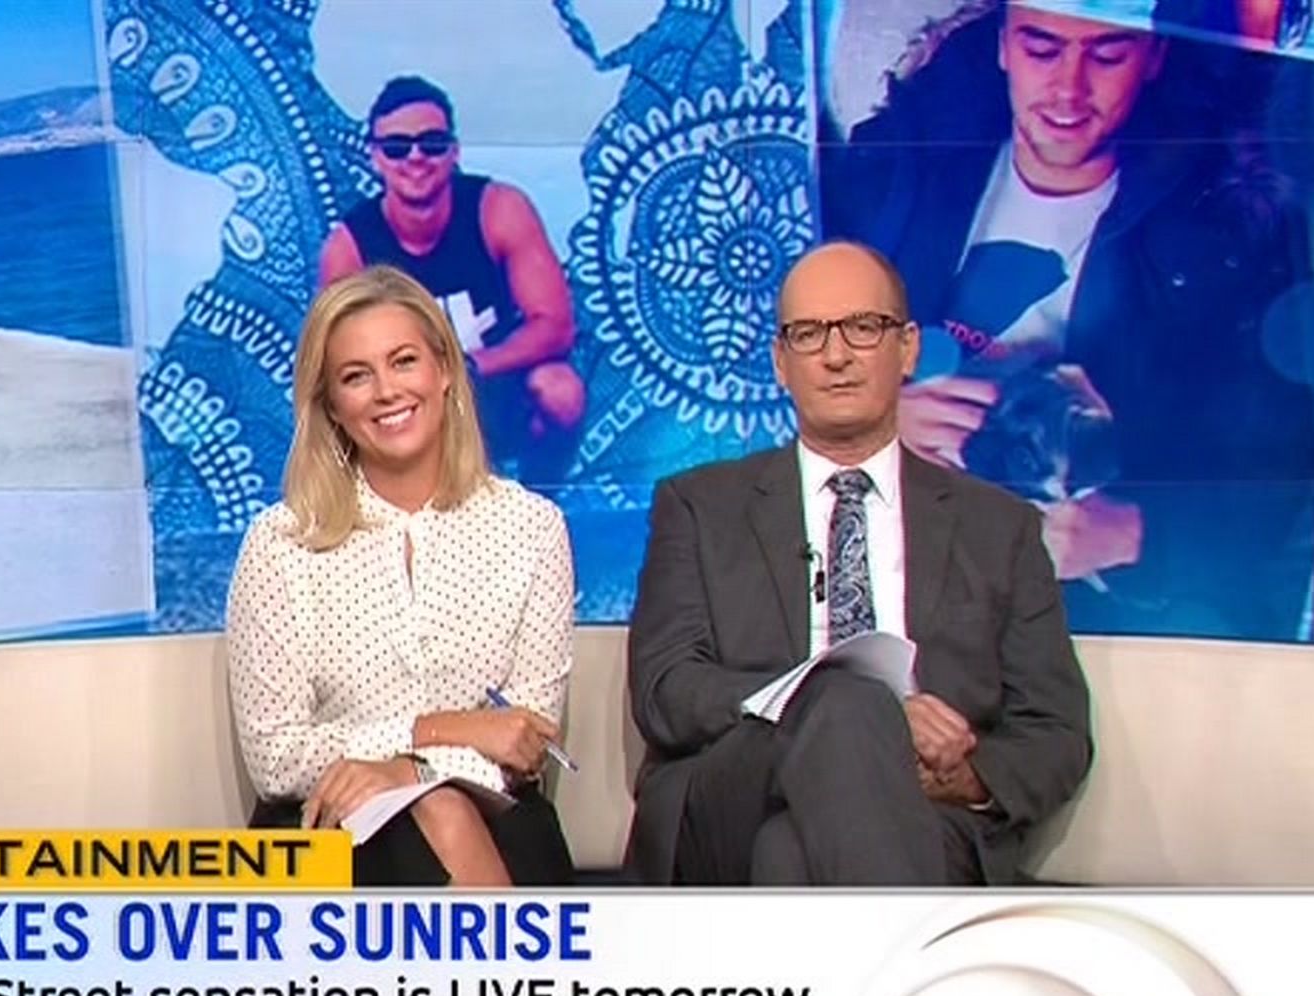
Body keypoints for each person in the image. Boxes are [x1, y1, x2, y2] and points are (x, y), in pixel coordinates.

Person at [825, 0, 1314, 640]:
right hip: (880, 599)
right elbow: (751, 370)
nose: (1069, 89)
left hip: (1085, 632)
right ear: (1003, 44)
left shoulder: (1226, 236)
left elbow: (1281, 482)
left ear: (1154, 56)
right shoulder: (898, 171)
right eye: (1041, 48)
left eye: (1107, 56)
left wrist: (1135, 535)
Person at [625, 242, 1092, 887]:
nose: (836, 355)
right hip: (731, 800)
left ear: (909, 348)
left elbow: (1056, 731)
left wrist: (966, 777)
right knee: (847, 703)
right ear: (780, 362)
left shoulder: (999, 527)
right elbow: (667, 692)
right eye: (809, 334)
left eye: (863, 328)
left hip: (927, 814)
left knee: (788, 855)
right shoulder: (700, 507)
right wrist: (843, 710)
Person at [227, 265, 577, 887]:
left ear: (445, 371)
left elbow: (526, 744)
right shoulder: (281, 543)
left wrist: (413, 773)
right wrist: (443, 731)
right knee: (431, 819)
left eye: (404, 361)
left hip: (494, 811)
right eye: (356, 376)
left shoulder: (532, 527)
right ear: (331, 405)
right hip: (327, 821)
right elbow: (276, 757)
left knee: (449, 810)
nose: (386, 391)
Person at [320, 75, 585, 485]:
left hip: (495, 385)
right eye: (397, 147)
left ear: (454, 151)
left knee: (560, 390)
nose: (416, 158)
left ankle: (541, 500)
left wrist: (471, 367)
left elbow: (555, 328)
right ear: (375, 157)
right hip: (408, 405)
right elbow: (337, 365)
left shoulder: (498, 210)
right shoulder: (349, 248)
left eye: (432, 144)